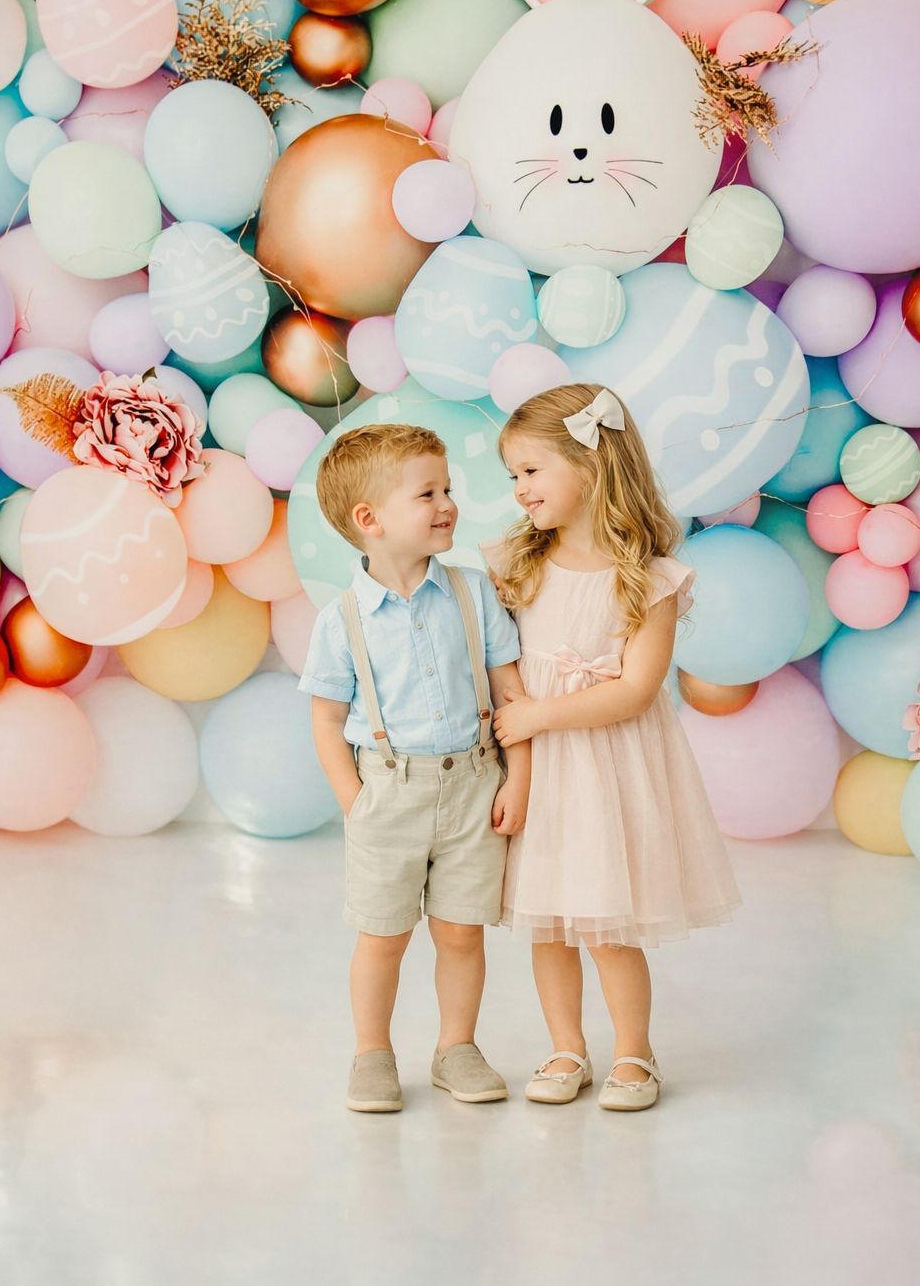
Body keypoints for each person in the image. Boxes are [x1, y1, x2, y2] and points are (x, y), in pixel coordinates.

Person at [487, 383, 741, 1112]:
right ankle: (566, 1045)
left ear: (591, 467)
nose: (518, 489)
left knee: (605, 921)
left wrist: (539, 716)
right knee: (547, 920)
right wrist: (518, 737)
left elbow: (635, 690)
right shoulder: (516, 562)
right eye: (513, 475)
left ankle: (636, 1051)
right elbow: (501, 660)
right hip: (537, 767)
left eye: (531, 471)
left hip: (603, 767)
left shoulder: (649, 579)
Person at [299, 423, 530, 1114]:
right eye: (426, 493)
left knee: (460, 930)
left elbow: (510, 692)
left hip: (472, 786)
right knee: (384, 934)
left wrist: (518, 777)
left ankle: (455, 1046)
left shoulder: (472, 592)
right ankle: (372, 1053)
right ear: (368, 521)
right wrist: (355, 800)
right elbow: (323, 721)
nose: (447, 504)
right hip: (388, 791)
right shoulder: (342, 620)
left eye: (448, 489)